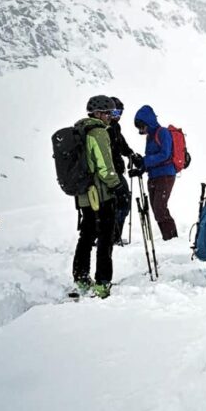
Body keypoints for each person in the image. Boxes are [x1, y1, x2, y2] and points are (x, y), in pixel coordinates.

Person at [72, 95, 128, 298]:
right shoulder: (98, 133)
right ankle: (102, 282)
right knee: (105, 237)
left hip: (84, 195)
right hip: (102, 195)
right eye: (109, 113)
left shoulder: (80, 130)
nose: (111, 117)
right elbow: (105, 168)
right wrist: (118, 186)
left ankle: (80, 277)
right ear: (98, 113)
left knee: (86, 235)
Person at [131, 105, 178, 240]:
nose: (141, 130)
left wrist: (144, 161)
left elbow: (165, 154)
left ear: (148, 122)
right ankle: (168, 238)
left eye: (142, 126)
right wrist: (140, 169)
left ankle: (172, 238)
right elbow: (151, 158)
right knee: (156, 209)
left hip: (165, 175)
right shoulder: (150, 137)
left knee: (160, 208)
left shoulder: (162, 132)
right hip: (153, 177)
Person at [107, 96, 139, 245]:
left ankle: (111, 236)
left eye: (119, 112)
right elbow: (115, 148)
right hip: (111, 173)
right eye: (114, 112)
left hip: (113, 172)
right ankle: (112, 237)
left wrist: (130, 154)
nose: (117, 116)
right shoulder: (106, 128)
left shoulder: (114, 127)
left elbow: (121, 144)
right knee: (123, 203)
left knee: (116, 204)